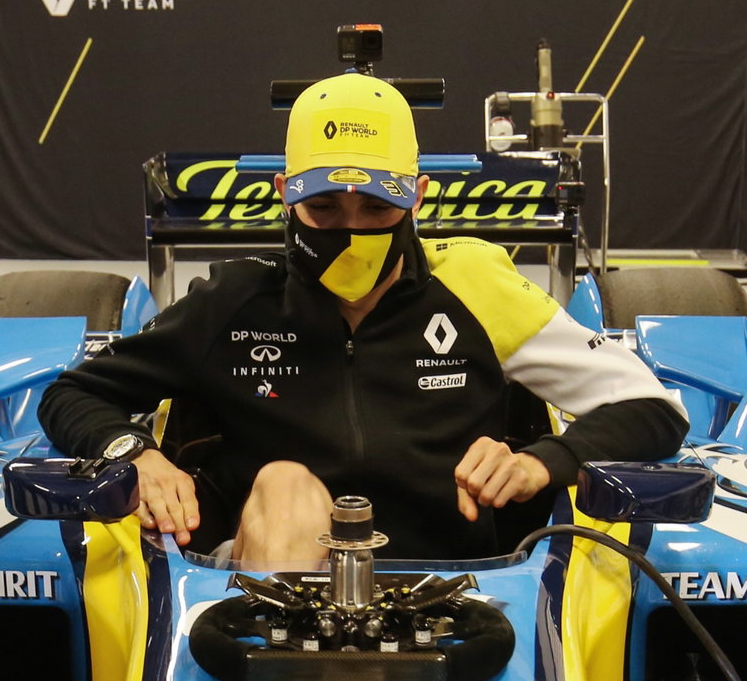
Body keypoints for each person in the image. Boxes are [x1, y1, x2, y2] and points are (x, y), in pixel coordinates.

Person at [38, 72, 690, 564]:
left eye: (377, 208)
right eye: (324, 208)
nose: (351, 231)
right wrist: (134, 453)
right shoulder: (233, 301)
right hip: (259, 587)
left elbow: (655, 410)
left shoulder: (476, 285)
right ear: (284, 195)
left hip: (460, 588)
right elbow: (72, 394)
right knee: (286, 486)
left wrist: (541, 462)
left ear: (417, 197)